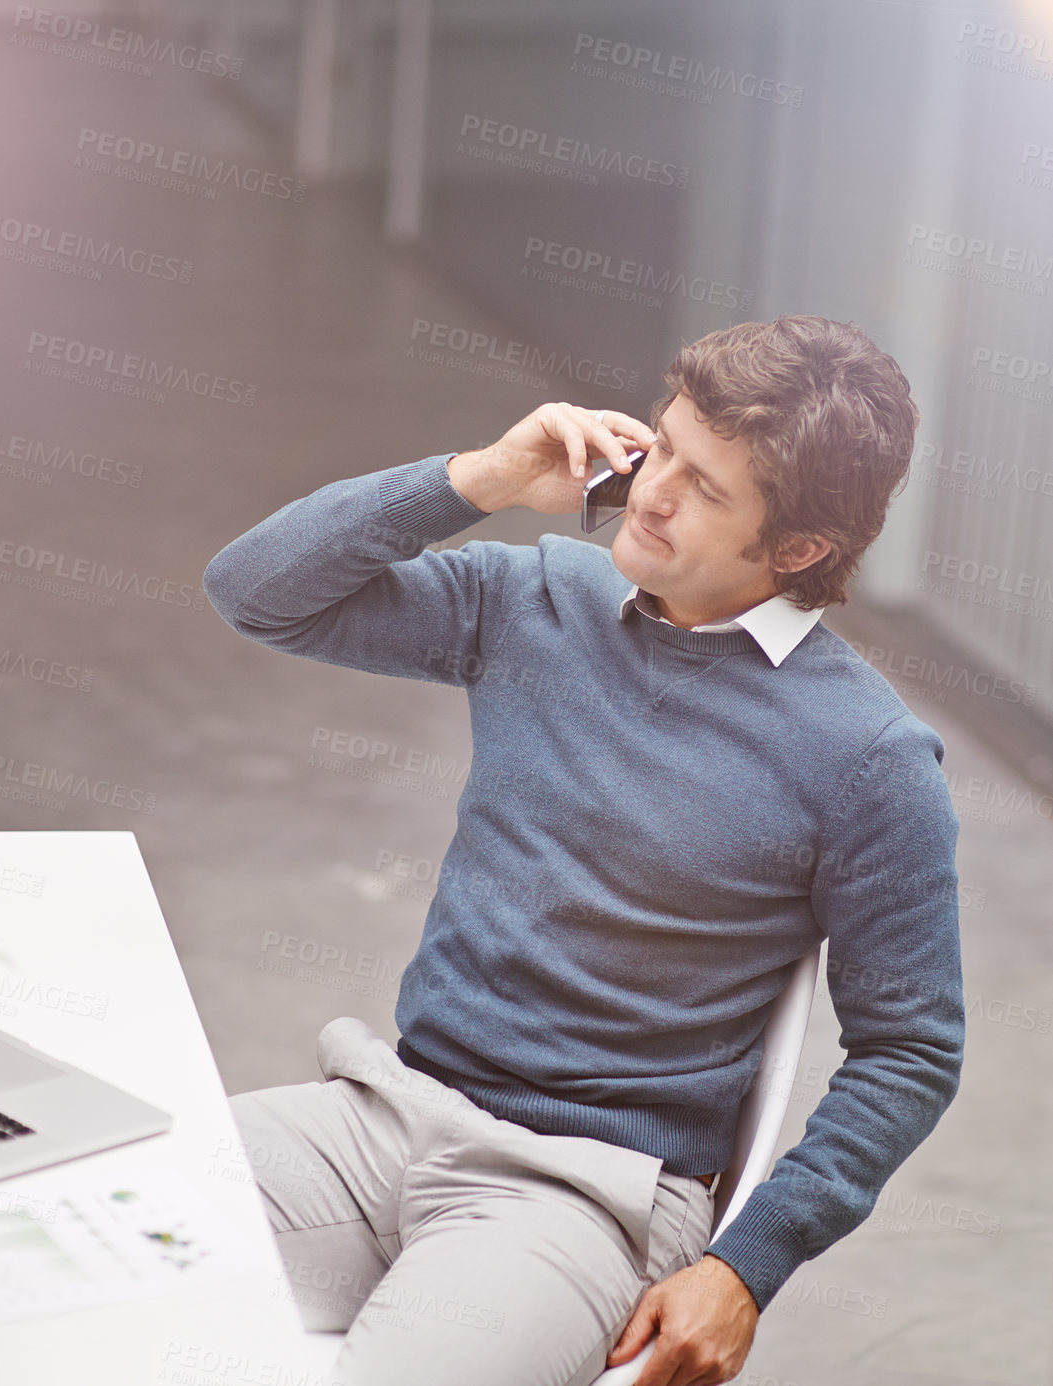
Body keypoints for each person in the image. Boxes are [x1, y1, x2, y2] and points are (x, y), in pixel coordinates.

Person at [201, 315, 964, 1386]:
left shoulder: (868, 757)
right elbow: (256, 591)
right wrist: (479, 479)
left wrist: (745, 1267)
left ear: (796, 549)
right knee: (50, 1227)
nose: (651, 492)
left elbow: (909, 1052)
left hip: (580, 1197)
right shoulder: (537, 599)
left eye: (706, 487)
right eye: (664, 447)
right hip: (380, 1114)